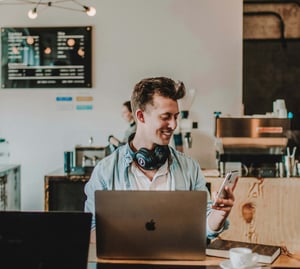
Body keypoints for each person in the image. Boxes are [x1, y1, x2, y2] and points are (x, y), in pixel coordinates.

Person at [84, 76, 235, 243]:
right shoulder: (105, 171)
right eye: (166, 117)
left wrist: (218, 215)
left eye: (176, 117)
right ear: (141, 116)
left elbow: (204, 228)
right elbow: (90, 232)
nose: (173, 125)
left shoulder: (190, 168)